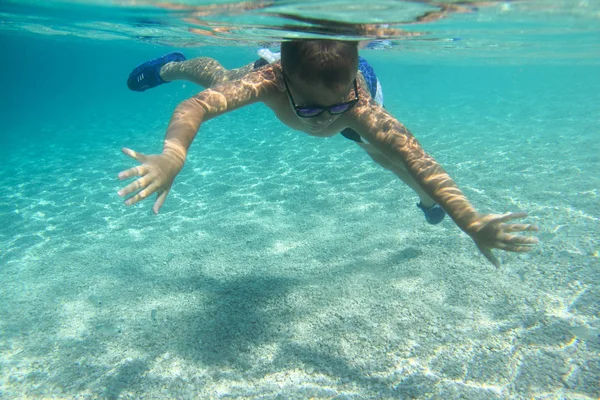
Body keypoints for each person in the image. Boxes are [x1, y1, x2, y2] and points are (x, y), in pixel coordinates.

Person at [118, 39, 538, 267]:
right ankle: (169, 67)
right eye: (312, 110)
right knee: (220, 79)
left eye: (334, 109)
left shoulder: (361, 108)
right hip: (299, 75)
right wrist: (173, 155)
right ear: (282, 83)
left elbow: (420, 158)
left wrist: (470, 221)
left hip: (359, 93)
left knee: (387, 154)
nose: (322, 120)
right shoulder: (268, 81)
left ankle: (429, 204)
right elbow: (196, 106)